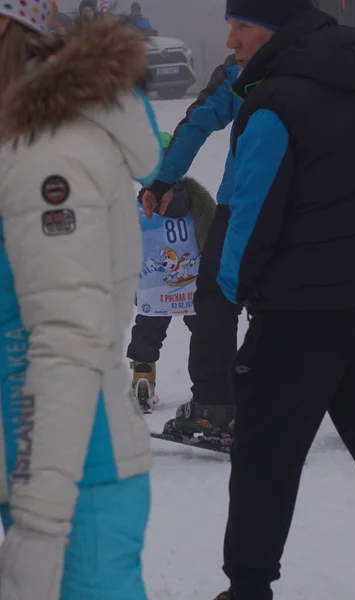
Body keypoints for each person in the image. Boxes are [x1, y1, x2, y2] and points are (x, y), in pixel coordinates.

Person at [212, 0, 355, 599]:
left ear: (275, 29)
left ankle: (247, 588)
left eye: (242, 26)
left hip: (297, 320)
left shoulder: (275, 102)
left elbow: (250, 213)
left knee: (266, 459)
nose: (233, 41)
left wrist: (228, 293)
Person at [0, 11, 162, 600]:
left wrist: (41, 524)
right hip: (36, 471)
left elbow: (67, 336)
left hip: (77, 489)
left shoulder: (50, 154)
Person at [143, 55, 242, 439]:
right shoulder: (353, 65)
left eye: (241, 25)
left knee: (216, 298)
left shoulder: (242, 70)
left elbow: (200, 119)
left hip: (248, 203)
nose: (231, 39)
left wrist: (163, 180)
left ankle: (214, 410)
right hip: (334, 208)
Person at [127, 132, 216, 413]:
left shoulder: (136, 209)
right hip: (194, 282)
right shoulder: (196, 199)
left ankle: (143, 376)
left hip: (154, 285)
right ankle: (212, 383)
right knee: (206, 331)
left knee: (148, 331)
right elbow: (213, 231)